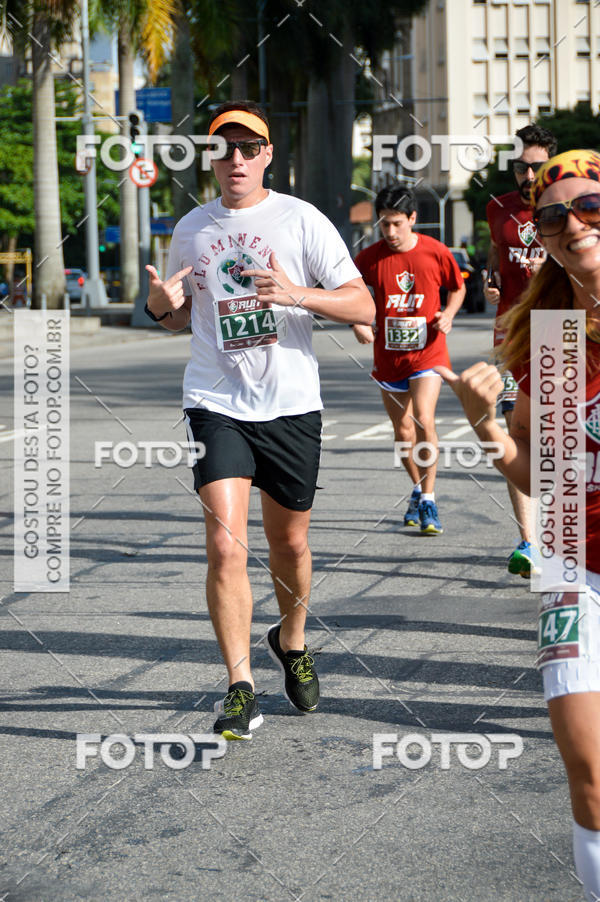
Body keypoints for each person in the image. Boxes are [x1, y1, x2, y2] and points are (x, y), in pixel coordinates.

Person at [144, 100, 374, 740]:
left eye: (250, 148)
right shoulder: (191, 227)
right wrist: (160, 308)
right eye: (225, 149)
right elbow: (184, 318)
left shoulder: (301, 220)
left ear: (269, 155)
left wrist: (297, 294)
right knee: (224, 545)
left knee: (290, 544)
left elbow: (364, 304)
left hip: (292, 404)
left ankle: (291, 638)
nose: (237, 159)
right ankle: (239, 685)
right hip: (215, 403)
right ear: (211, 158)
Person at [439, 149, 600, 902]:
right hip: (577, 568)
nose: (573, 224)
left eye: (590, 206)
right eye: (553, 216)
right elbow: (544, 477)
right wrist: (487, 429)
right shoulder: (553, 340)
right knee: (590, 776)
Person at [352, 184, 465, 535]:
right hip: (388, 356)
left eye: (397, 223)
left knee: (423, 420)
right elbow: (349, 292)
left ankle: (429, 499)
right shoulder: (370, 257)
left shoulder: (435, 251)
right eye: (384, 224)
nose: (391, 232)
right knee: (402, 430)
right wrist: (358, 321)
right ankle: (416, 488)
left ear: (413, 219)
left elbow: (457, 286)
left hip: (428, 351)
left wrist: (449, 313)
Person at [484, 123, 557, 577]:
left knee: (564, 432)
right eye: (520, 167)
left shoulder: (571, 204)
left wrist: (553, 263)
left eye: (536, 166)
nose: (527, 176)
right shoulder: (498, 209)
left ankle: (565, 531)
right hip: (511, 331)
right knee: (516, 429)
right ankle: (528, 540)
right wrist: (492, 281)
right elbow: (495, 253)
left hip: (560, 327)